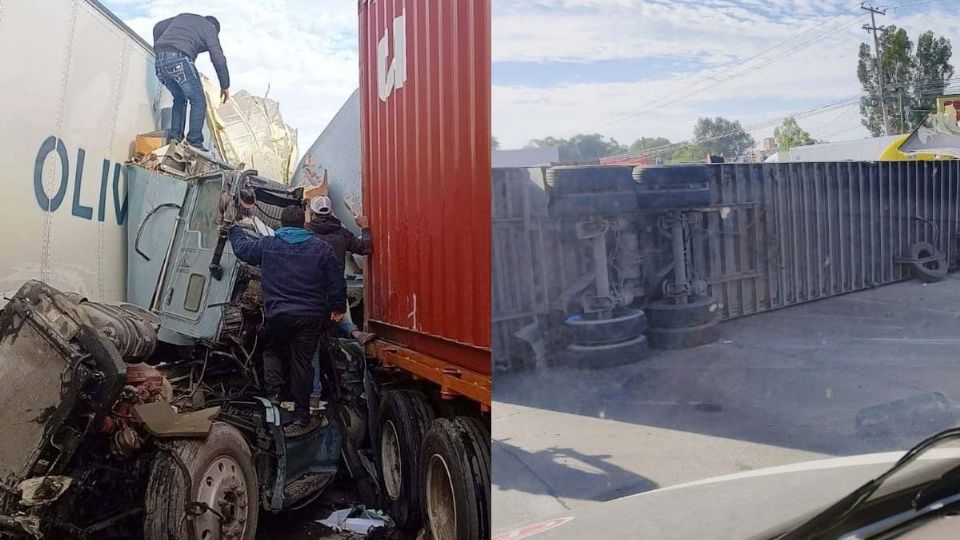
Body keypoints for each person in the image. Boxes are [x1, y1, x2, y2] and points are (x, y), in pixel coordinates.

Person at [229, 205, 345, 426]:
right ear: (304, 224)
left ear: (281, 224)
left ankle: (274, 398)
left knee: (272, 351)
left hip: (278, 316)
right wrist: (337, 308)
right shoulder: (321, 249)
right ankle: (302, 414)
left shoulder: (268, 245)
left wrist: (233, 229)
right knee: (302, 362)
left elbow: (243, 250)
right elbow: (336, 281)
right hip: (310, 318)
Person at [153, 13, 230, 151]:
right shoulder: (209, 28)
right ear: (214, 28)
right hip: (179, 58)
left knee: (180, 98)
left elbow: (158, 27)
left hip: (160, 62)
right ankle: (194, 143)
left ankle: (175, 139)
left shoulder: (185, 18)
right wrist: (225, 85)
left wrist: (160, 49)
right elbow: (218, 57)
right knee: (198, 101)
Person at [307, 196, 374, 345]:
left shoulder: (307, 234)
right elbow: (365, 248)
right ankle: (355, 333)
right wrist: (364, 228)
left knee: (315, 339)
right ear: (331, 212)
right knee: (339, 319)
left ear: (313, 212)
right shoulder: (341, 233)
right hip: (336, 288)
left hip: (312, 291)